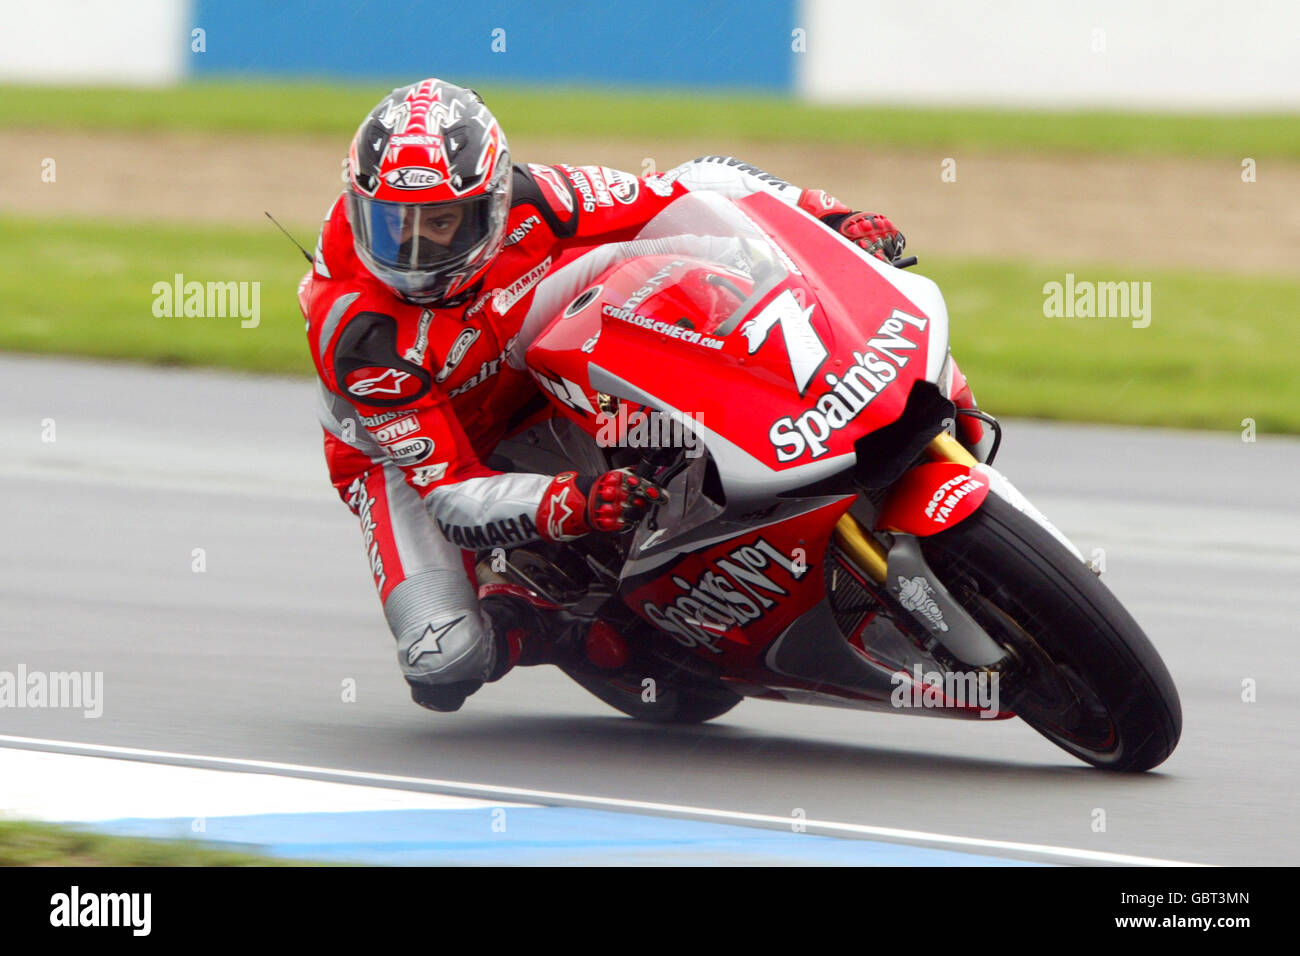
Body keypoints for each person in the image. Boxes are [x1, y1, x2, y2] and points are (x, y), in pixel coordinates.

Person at [299, 77, 907, 713]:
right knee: (442, 661)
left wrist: (828, 216)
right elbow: (452, 493)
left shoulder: (535, 197)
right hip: (415, 455)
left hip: (508, 338)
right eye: (393, 226)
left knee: (693, 207)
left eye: (443, 223)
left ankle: (757, 391)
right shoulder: (361, 336)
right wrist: (575, 503)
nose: (416, 254)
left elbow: (680, 191)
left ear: (494, 200)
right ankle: (537, 613)